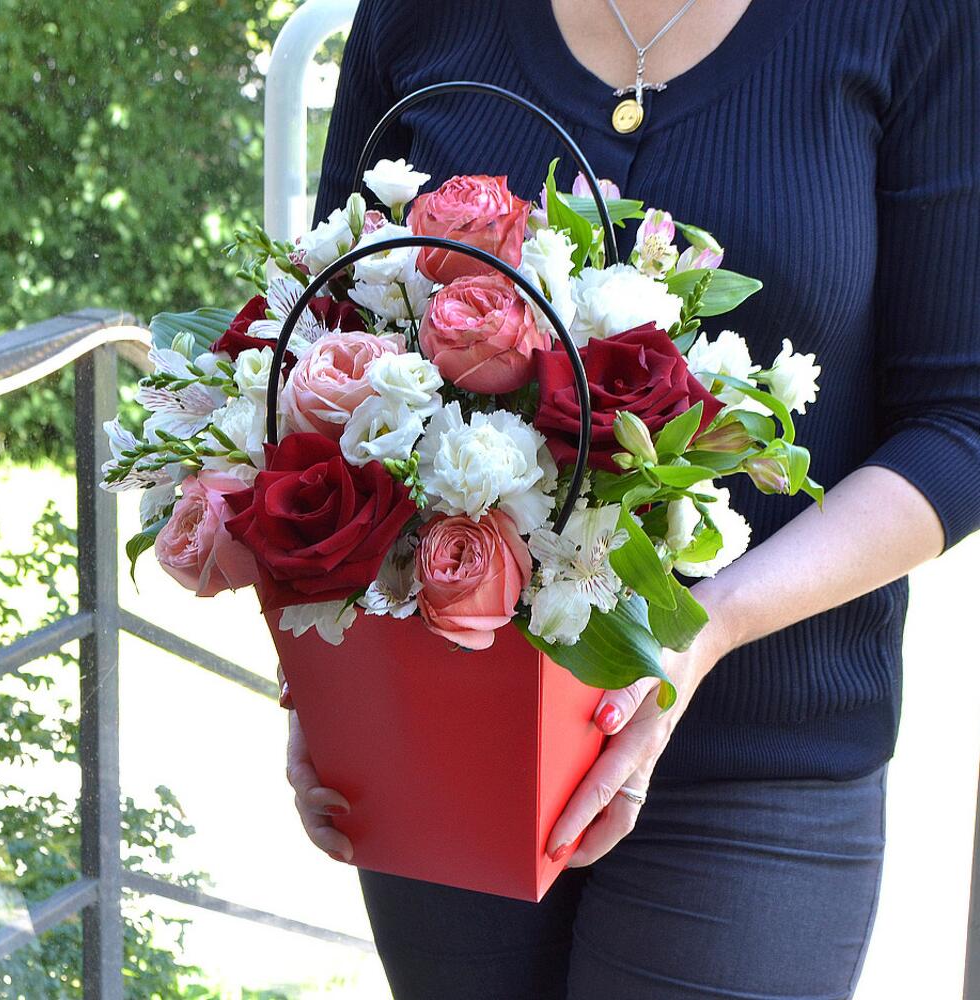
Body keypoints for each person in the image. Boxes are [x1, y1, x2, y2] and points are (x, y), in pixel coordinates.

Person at [282, 1, 980, 997]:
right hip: (446, 731)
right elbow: (326, 337)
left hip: (757, 764)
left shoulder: (915, 19)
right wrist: (324, 667)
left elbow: (959, 424)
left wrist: (707, 625)